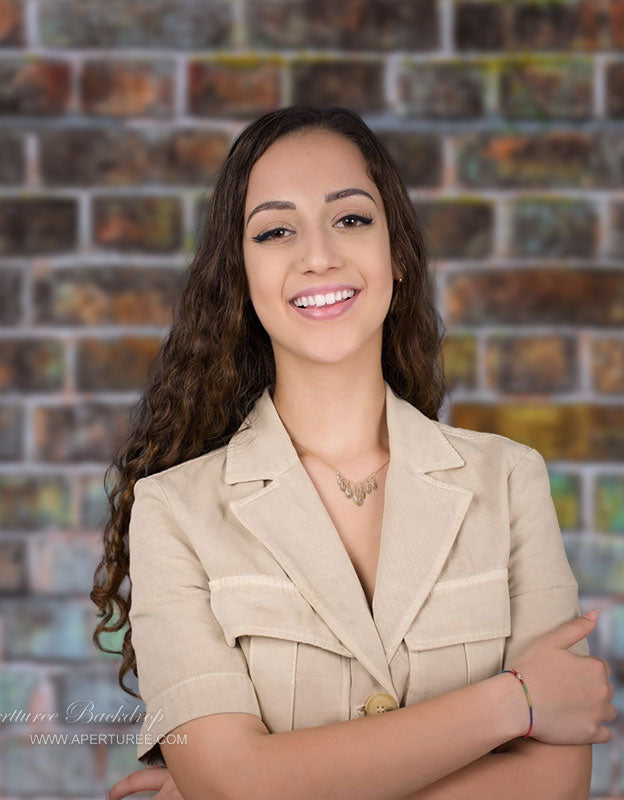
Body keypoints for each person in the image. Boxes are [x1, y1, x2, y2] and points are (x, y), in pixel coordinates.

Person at [92, 105, 615, 800]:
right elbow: (232, 784)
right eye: (276, 231)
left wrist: (263, 783)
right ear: (240, 276)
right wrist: (514, 701)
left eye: (350, 218)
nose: (319, 256)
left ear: (397, 254)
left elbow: (556, 784)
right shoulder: (173, 511)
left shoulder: (510, 480)